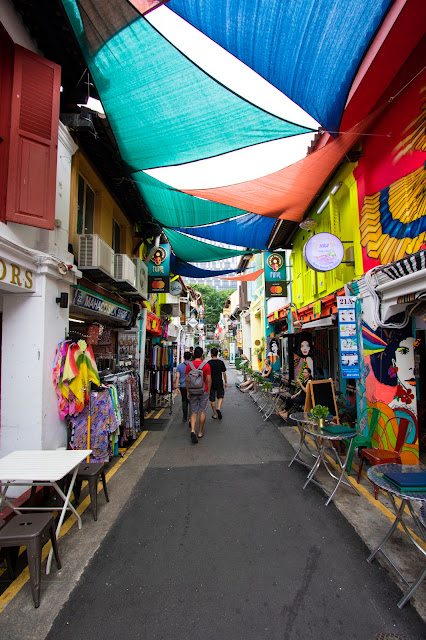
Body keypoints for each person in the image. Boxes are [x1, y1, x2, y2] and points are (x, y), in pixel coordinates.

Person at [185, 346, 211, 443]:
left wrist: (188, 391)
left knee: (193, 412)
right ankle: (200, 432)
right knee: (202, 411)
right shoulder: (206, 365)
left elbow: (187, 380)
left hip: (192, 391)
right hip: (203, 390)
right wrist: (208, 390)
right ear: (202, 355)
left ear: (194, 354)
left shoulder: (189, 365)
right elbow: (208, 380)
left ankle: (193, 430)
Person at [208, 347, 227, 419]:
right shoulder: (221, 362)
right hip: (219, 381)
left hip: (211, 382)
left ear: (211, 354)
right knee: (220, 396)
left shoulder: (208, 363)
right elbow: (224, 373)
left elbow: (207, 375)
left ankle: (214, 414)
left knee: (212, 398)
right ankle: (218, 408)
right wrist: (226, 382)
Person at [174, 351, 192, 422]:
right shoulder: (192, 365)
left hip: (183, 386)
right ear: (190, 357)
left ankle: (185, 417)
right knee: (191, 401)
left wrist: (176, 387)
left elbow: (177, 377)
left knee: (184, 401)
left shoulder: (179, 366)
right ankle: (191, 417)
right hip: (191, 386)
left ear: (184, 357)